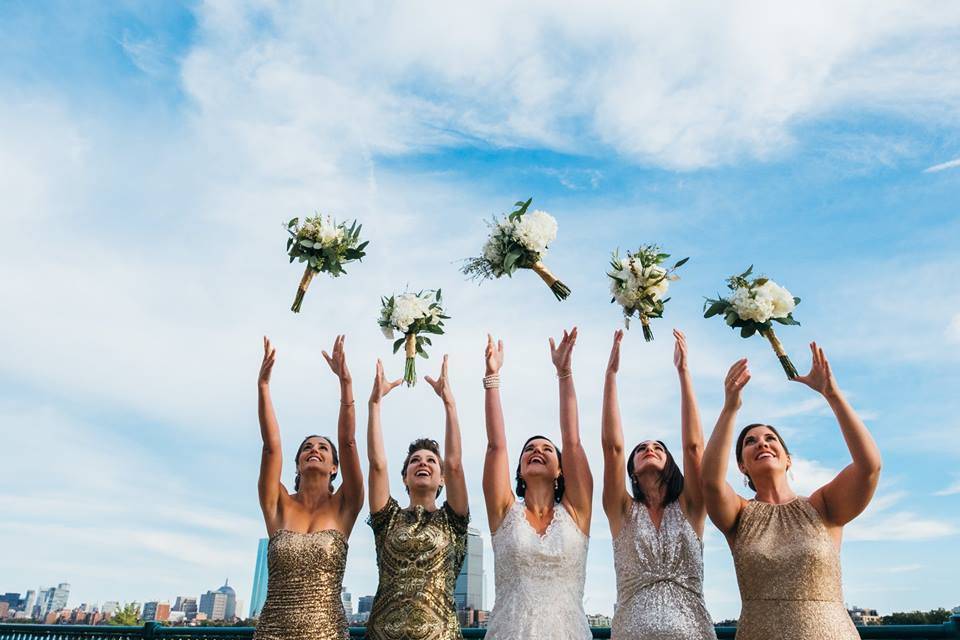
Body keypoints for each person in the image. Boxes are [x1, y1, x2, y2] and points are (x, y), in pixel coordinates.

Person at [702, 343, 882, 640]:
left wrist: (832, 394)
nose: (762, 443)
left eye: (771, 438)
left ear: (788, 459)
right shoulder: (738, 514)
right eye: (750, 441)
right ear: (742, 466)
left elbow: (869, 467)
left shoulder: (824, 506)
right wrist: (730, 407)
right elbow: (709, 480)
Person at [602, 329, 716, 639]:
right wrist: (611, 376)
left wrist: (684, 372)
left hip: (693, 632)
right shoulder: (621, 510)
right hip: (631, 631)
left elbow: (695, 448)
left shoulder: (692, 506)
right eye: (641, 449)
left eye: (658, 448)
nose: (649, 449)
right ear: (633, 471)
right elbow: (612, 448)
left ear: (671, 464)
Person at [482, 328, 594, 640]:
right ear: (518, 470)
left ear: (561, 470)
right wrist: (492, 378)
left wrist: (565, 374)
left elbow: (572, 440)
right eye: (529, 449)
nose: (537, 451)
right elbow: (496, 446)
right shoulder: (504, 511)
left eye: (547, 449)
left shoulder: (577, 512)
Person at [253, 335, 363, 640]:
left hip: (327, 634)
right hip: (272, 633)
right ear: (298, 463)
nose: (314, 449)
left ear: (334, 467)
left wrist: (345, 384)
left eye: (323, 448)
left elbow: (350, 442)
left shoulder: (345, 506)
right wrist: (263, 387)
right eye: (307, 447)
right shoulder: (278, 504)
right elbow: (270, 447)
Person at [365, 355, 469, 640]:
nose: (423, 463)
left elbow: (456, 463)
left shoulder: (453, 520)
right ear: (404, 477)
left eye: (431, 461)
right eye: (415, 461)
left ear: (442, 478)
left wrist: (449, 403)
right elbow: (377, 465)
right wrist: (375, 404)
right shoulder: (387, 519)